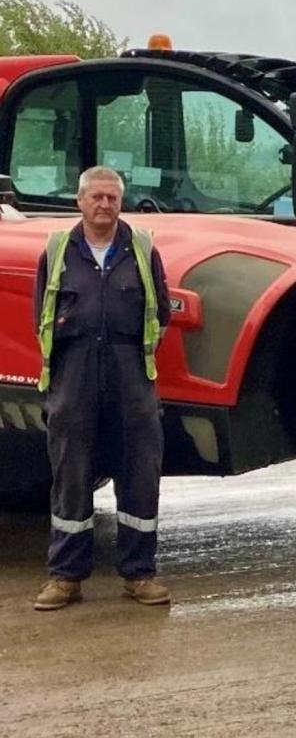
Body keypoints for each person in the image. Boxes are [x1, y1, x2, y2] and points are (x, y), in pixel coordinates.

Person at [30, 165, 174, 612]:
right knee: (71, 474)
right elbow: (42, 312)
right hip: (74, 373)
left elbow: (161, 313)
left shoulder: (142, 248)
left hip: (131, 370)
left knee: (139, 472)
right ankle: (65, 577)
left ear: (120, 202)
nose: (104, 204)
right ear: (80, 202)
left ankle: (139, 574)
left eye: (112, 197)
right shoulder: (57, 250)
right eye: (96, 197)